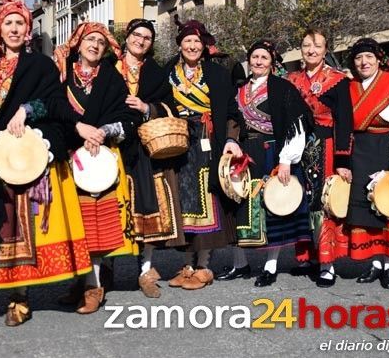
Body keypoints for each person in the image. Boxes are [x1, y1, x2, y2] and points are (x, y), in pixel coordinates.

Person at [0, 0, 91, 326]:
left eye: (20, 24)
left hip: (26, 155)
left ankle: (20, 296)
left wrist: (27, 110)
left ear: (28, 30)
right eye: (9, 24)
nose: (15, 29)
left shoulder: (41, 66)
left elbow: (55, 104)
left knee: (23, 228)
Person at [53, 21, 140, 314]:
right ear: (78, 43)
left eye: (101, 43)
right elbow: (53, 108)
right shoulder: (62, 74)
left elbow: (127, 116)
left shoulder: (112, 79)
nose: (95, 46)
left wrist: (102, 130)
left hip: (99, 158)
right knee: (73, 223)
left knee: (95, 225)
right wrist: (79, 129)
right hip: (69, 154)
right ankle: (80, 282)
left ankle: (94, 286)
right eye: (90, 40)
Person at [218, 40, 311, 287]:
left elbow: (297, 126)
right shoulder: (238, 88)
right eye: (254, 57)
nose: (258, 62)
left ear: (272, 63)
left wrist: (286, 160)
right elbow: (230, 119)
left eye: (264, 58)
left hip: (273, 151)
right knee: (238, 205)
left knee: (273, 208)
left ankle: (271, 266)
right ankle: (240, 263)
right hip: (244, 153)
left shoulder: (282, 88)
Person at [164, 19, 243, 290]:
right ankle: (187, 264)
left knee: (208, 199)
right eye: (187, 41)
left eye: (197, 41)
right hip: (179, 140)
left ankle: (204, 264)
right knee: (183, 199)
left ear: (203, 45)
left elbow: (232, 112)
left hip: (208, 139)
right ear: (180, 45)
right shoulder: (168, 73)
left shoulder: (218, 74)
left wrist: (231, 140)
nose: (192, 46)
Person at [116, 19, 185, 298]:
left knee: (146, 207)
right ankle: (100, 274)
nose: (141, 40)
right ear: (127, 37)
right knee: (111, 207)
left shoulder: (156, 73)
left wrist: (147, 107)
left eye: (147, 37)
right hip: (112, 145)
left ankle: (145, 270)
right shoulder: (109, 67)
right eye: (136, 35)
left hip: (144, 148)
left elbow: (172, 107)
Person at [287, 29, 353, 287]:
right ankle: (307, 257)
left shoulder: (338, 80)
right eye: (306, 45)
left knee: (323, 202)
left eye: (317, 46)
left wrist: (343, 160)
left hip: (325, 146)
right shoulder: (292, 80)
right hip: (299, 147)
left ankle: (327, 262)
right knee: (302, 200)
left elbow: (344, 122)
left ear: (326, 50)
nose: (311, 50)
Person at [345, 38, 389, 290]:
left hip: (385, 148)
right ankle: (375, 263)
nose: (364, 62)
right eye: (359, 58)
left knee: (388, 205)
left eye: (369, 58)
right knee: (364, 207)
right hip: (359, 150)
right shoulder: (350, 87)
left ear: (378, 60)